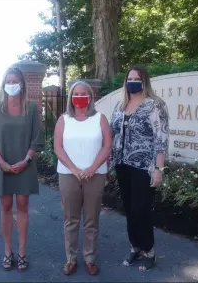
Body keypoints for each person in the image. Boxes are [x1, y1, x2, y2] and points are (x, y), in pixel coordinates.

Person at [0, 67, 44, 272]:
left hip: (25, 165)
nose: (11, 85)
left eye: (15, 81)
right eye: (7, 81)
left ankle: (22, 252)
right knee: (6, 207)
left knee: (23, 206)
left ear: (22, 84)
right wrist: (1, 162)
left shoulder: (32, 108)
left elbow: (37, 139)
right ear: (3, 85)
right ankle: (8, 251)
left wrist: (25, 161)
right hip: (3, 165)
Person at [110, 66, 169, 271]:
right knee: (129, 209)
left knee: (140, 210)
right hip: (122, 165)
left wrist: (158, 170)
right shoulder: (120, 105)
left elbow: (161, 140)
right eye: (129, 78)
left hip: (144, 167)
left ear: (145, 81)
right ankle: (135, 246)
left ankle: (149, 249)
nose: (132, 81)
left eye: (137, 78)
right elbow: (113, 134)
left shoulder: (155, 106)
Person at [53, 81, 112, 276]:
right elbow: (58, 148)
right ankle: (71, 259)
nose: (79, 96)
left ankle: (89, 258)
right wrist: (74, 168)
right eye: (75, 93)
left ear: (90, 97)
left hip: (95, 175)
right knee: (71, 219)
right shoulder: (63, 119)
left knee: (91, 219)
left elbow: (107, 146)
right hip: (69, 175)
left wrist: (92, 168)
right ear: (71, 97)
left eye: (83, 93)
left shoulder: (100, 118)